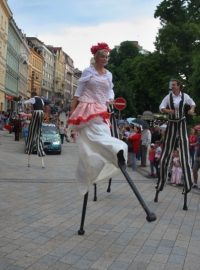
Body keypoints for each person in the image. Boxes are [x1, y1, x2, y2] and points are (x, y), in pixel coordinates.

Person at [68, 42, 127, 194]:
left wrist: (111, 99)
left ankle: (113, 153)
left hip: (101, 110)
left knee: (102, 133)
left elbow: (110, 92)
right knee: (92, 138)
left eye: (107, 56)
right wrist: (72, 115)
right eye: (102, 56)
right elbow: (78, 93)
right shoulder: (88, 72)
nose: (105, 58)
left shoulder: (109, 74)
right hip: (87, 109)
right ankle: (117, 150)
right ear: (96, 57)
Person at [156, 79, 196, 195]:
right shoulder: (168, 97)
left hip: (182, 123)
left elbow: (192, 103)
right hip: (172, 123)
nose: (172, 87)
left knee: (184, 149)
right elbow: (161, 107)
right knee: (166, 151)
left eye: (173, 85)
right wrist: (168, 110)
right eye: (171, 85)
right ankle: (161, 182)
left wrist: (191, 110)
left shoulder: (185, 96)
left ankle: (188, 184)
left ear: (179, 86)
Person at [24, 92, 45, 167]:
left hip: (36, 113)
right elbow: (43, 105)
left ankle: (29, 151)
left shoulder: (33, 99)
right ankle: (42, 161)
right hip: (42, 113)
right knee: (38, 131)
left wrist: (27, 105)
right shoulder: (41, 100)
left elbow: (25, 102)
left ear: (33, 95)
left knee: (32, 130)